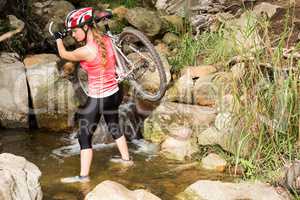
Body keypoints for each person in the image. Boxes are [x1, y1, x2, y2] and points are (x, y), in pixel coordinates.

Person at [53, 7, 133, 183]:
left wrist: (58, 39)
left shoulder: (87, 50)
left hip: (99, 98)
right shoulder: (106, 39)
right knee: (113, 124)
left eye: (74, 31)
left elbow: (64, 54)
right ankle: (126, 160)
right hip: (115, 93)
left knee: (84, 136)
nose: (73, 35)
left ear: (86, 27)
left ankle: (83, 177)